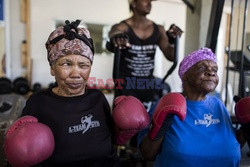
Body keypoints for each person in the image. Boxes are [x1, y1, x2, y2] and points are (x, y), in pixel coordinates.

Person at [4, 20, 121, 167]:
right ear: (52, 68)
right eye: (66, 64)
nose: (76, 73)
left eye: (83, 65)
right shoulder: (38, 103)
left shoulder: (98, 98)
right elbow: (21, 150)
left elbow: (112, 141)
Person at [137, 47, 248, 167]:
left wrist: (246, 129)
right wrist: (161, 126)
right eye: (201, 68)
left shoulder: (218, 104)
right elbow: (147, 154)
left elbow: (230, 146)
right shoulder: (167, 103)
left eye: (215, 70)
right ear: (185, 75)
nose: (211, 73)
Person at [108, 0, 183, 110]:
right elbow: (114, 32)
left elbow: (170, 56)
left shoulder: (159, 29)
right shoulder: (123, 27)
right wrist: (117, 37)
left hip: (147, 84)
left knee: (150, 121)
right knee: (123, 121)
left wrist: (172, 41)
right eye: (145, 0)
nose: (149, 3)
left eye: (150, 1)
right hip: (126, 85)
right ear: (133, 3)